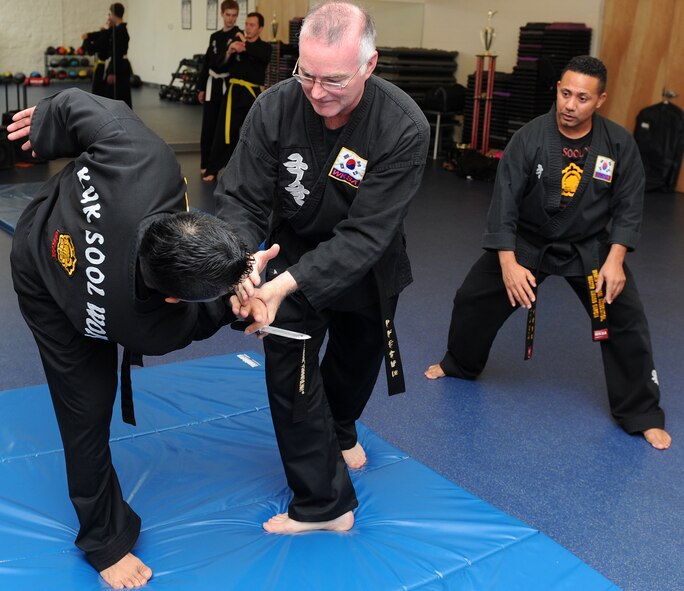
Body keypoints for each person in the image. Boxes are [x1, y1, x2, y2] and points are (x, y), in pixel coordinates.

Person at [7, 88, 277, 589]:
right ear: (175, 299)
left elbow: (74, 106)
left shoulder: (143, 159)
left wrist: (45, 121)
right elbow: (216, 312)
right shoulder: (154, 328)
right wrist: (248, 299)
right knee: (85, 411)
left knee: (89, 410)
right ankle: (103, 541)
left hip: (50, 236)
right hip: (42, 281)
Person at [218, 1, 429, 534]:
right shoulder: (274, 108)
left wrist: (286, 284)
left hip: (367, 261)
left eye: (333, 79)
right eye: (306, 74)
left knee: (356, 363)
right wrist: (247, 264)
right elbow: (242, 200)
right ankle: (324, 504)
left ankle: (339, 428)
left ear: (370, 64)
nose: (316, 92)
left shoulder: (403, 126)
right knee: (290, 369)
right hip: (289, 248)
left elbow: (365, 234)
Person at [425, 56, 671, 451]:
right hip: (528, 242)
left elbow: (629, 204)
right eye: (565, 93)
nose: (570, 105)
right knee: (473, 298)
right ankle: (460, 364)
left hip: (590, 248)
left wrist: (615, 258)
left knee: (624, 317)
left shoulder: (618, 143)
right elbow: (504, 203)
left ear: (601, 100)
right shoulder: (529, 137)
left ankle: (640, 412)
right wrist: (507, 263)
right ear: (557, 88)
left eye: (583, 98)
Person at [203, 11, 270, 180]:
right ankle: (213, 169)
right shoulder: (236, 45)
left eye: (252, 25)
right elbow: (218, 65)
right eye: (246, 24)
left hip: (253, 95)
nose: (248, 27)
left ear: (260, 28)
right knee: (224, 132)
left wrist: (245, 44)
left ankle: (253, 171)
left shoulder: (263, 47)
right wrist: (229, 51)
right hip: (233, 94)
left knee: (254, 133)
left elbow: (261, 56)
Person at [197, 0, 242, 181]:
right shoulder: (214, 36)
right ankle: (204, 162)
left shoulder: (238, 35)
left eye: (234, 15)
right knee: (207, 125)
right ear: (221, 14)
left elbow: (225, 63)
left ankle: (218, 164)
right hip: (211, 84)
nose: (230, 19)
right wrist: (200, 87)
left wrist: (229, 52)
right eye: (228, 15)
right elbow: (209, 62)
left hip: (226, 85)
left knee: (220, 128)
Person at [82, 3, 132, 108]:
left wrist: (112, 72)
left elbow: (117, 53)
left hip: (120, 67)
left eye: (110, 15)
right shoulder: (117, 30)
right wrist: (89, 35)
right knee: (115, 95)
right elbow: (103, 34)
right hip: (119, 65)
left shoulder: (120, 31)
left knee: (120, 95)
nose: (109, 17)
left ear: (113, 14)